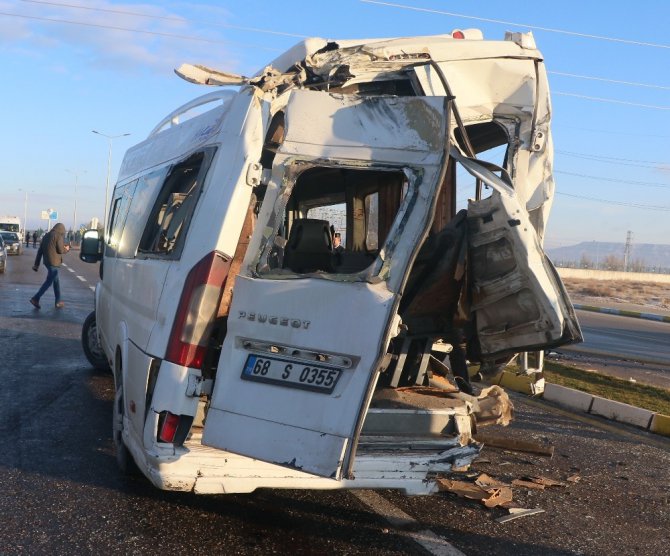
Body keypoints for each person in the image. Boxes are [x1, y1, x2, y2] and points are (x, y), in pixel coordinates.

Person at [30, 223, 70, 309]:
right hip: (54, 263)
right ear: (61, 230)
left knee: (56, 282)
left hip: (47, 262)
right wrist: (66, 249)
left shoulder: (46, 236)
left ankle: (58, 301)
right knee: (49, 282)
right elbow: (60, 250)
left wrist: (36, 265)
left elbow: (40, 251)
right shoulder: (58, 236)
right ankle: (35, 298)